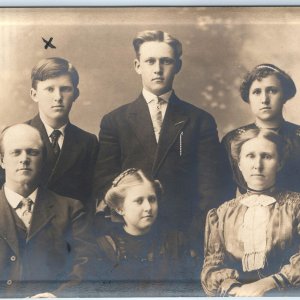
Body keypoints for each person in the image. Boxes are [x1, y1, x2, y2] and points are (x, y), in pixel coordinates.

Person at [93, 30, 234, 258]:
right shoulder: (115, 121)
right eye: (150, 61)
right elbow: (105, 183)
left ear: (177, 66)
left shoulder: (199, 120)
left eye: (166, 61)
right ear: (138, 65)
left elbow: (211, 187)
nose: (158, 69)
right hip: (129, 238)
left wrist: (193, 238)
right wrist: (126, 228)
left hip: (183, 239)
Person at [0, 124, 97, 298]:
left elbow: (86, 265)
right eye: (16, 152)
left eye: (32, 152)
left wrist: (57, 296)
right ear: (1, 160)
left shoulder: (71, 209)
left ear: (43, 159)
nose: (24, 159)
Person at [201, 128, 300, 296]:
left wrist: (268, 284)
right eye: (250, 156)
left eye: (267, 156)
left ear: (280, 162)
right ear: (239, 163)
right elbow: (211, 269)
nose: (258, 165)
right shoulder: (222, 214)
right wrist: (232, 286)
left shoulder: (295, 206)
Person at [95, 168, 195, 284]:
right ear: (120, 208)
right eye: (139, 201)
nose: (148, 207)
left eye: (152, 199)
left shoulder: (175, 242)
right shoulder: (106, 247)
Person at [25, 57, 98, 213]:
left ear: (76, 94)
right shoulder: (17, 136)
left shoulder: (88, 142)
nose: (58, 97)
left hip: (72, 230)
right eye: (49, 89)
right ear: (34, 94)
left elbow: (90, 197)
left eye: (65, 89)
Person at [222, 63, 300, 194]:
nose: (264, 99)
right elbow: (222, 191)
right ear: (249, 98)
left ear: (284, 96)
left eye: (272, 91)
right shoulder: (232, 139)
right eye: (257, 92)